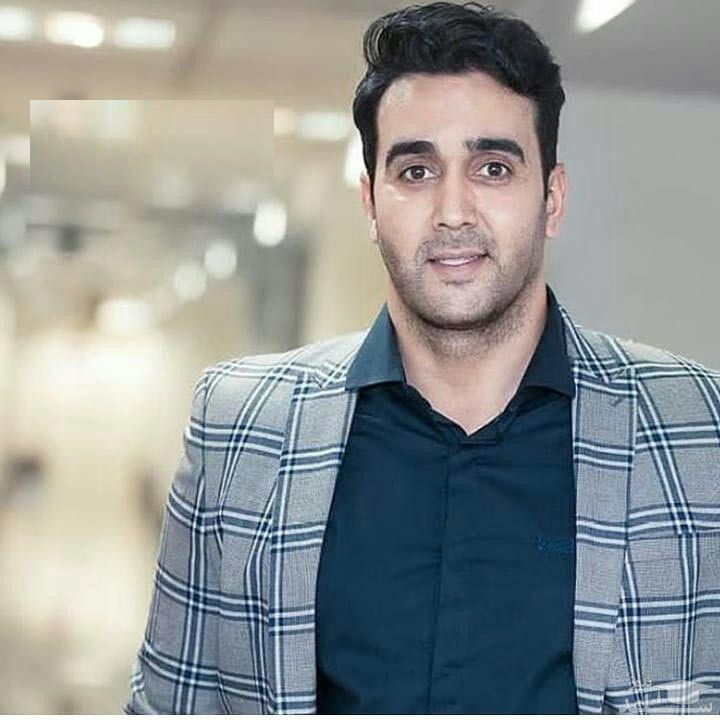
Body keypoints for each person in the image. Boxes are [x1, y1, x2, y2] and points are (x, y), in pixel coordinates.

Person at [125, 2, 720, 714]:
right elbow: (171, 704)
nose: (453, 211)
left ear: (552, 200)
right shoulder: (239, 430)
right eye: (415, 171)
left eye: (493, 167)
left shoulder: (697, 430)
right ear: (371, 204)